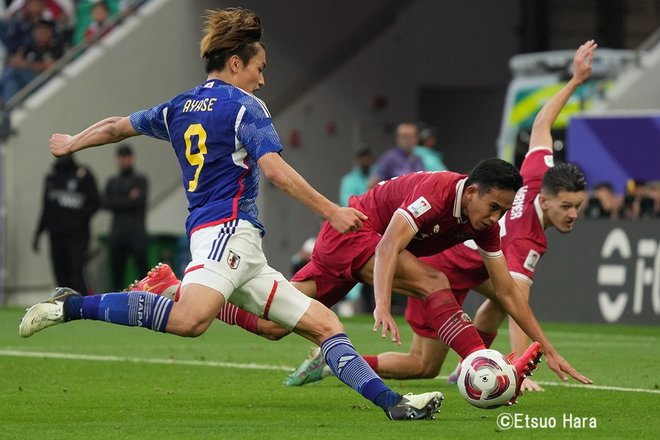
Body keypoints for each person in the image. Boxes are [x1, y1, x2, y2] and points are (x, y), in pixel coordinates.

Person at [19, 7, 443, 421]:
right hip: (226, 232)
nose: (262, 77)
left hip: (241, 247)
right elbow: (274, 171)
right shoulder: (245, 107)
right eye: (259, 67)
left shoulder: (179, 107)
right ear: (236, 62)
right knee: (190, 321)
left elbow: (117, 125)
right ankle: (71, 306)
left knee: (327, 324)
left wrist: (74, 142)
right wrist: (331, 211)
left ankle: (395, 405)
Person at [130, 154, 590, 404]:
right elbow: (389, 245)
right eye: (492, 207)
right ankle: (482, 366)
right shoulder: (436, 194)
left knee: (274, 324)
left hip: (352, 247)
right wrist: (383, 304)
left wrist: (547, 348)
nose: (495, 218)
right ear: (471, 192)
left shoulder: (483, 223)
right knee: (434, 281)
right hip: (354, 233)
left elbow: (506, 290)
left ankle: (172, 289)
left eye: (501, 210)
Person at [286, 40, 597, 392]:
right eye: (567, 207)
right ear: (546, 198)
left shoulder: (533, 176)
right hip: (423, 257)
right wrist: (518, 366)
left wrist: (575, 81)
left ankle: (473, 364)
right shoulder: (523, 239)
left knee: (425, 362)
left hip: (443, 261)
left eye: (578, 206)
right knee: (446, 307)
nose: (573, 214)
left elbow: (542, 123)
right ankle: (485, 367)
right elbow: (513, 300)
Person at [33, 154, 100, 295]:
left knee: (77, 271)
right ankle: (65, 307)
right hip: (56, 236)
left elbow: (96, 202)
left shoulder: (83, 174)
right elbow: (46, 208)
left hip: (77, 236)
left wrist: (79, 221)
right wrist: (38, 233)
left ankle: (84, 306)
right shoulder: (51, 177)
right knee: (60, 274)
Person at [104, 143, 148, 290]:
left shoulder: (140, 180)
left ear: (132, 158)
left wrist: (117, 201)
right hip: (117, 233)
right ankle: (116, 305)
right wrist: (128, 200)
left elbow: (139, 202)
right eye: (121, 158)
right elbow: (104, 202)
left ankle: (148, 301)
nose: (124, 161)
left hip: (136, 232)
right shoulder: (112, 181)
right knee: (116, 273)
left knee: (143, 272)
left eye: (126, 157)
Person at [0, 18, 63, 102]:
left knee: (14, 71)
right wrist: (18, 61)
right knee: (12, 82)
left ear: (50, 32)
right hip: (26, 81)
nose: (40, 33)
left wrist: (26, 65)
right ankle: (7, 105)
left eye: (44, 31)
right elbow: (15, 60)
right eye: (38, 30)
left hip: (44, 81)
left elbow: (52, 67)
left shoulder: (55, 47)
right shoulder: (29, 46)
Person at [368, 122, 423, 187]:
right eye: (404, 137)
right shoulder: (389, 158)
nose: (408, 140)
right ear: (397, 139)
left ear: (416, 139)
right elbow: (373, 183)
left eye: (411, 137)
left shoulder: (417, 159)